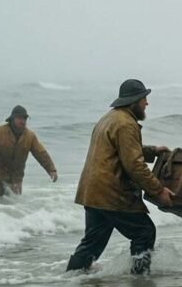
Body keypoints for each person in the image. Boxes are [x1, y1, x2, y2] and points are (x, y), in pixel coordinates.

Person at [66, 79, 174, 274]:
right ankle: (140, 279)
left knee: (92, 242)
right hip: (112, 193)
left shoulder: (110, 118)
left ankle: (71, 278)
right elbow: (134, 165)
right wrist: (158, 190)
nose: (146, 103)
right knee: (144, 232)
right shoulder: (126, 124)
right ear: (134, 101)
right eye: (144, 99)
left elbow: (122, 150)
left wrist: (152, 151)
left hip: (93, 192)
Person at [0, 105, 58, 194]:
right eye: (19, 118)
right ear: (12, 119)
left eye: (25, 118)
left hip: (17, 179)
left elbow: (41, 154)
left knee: (15, 202)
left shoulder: (30, 136)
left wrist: (51, 170)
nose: (23, 121)